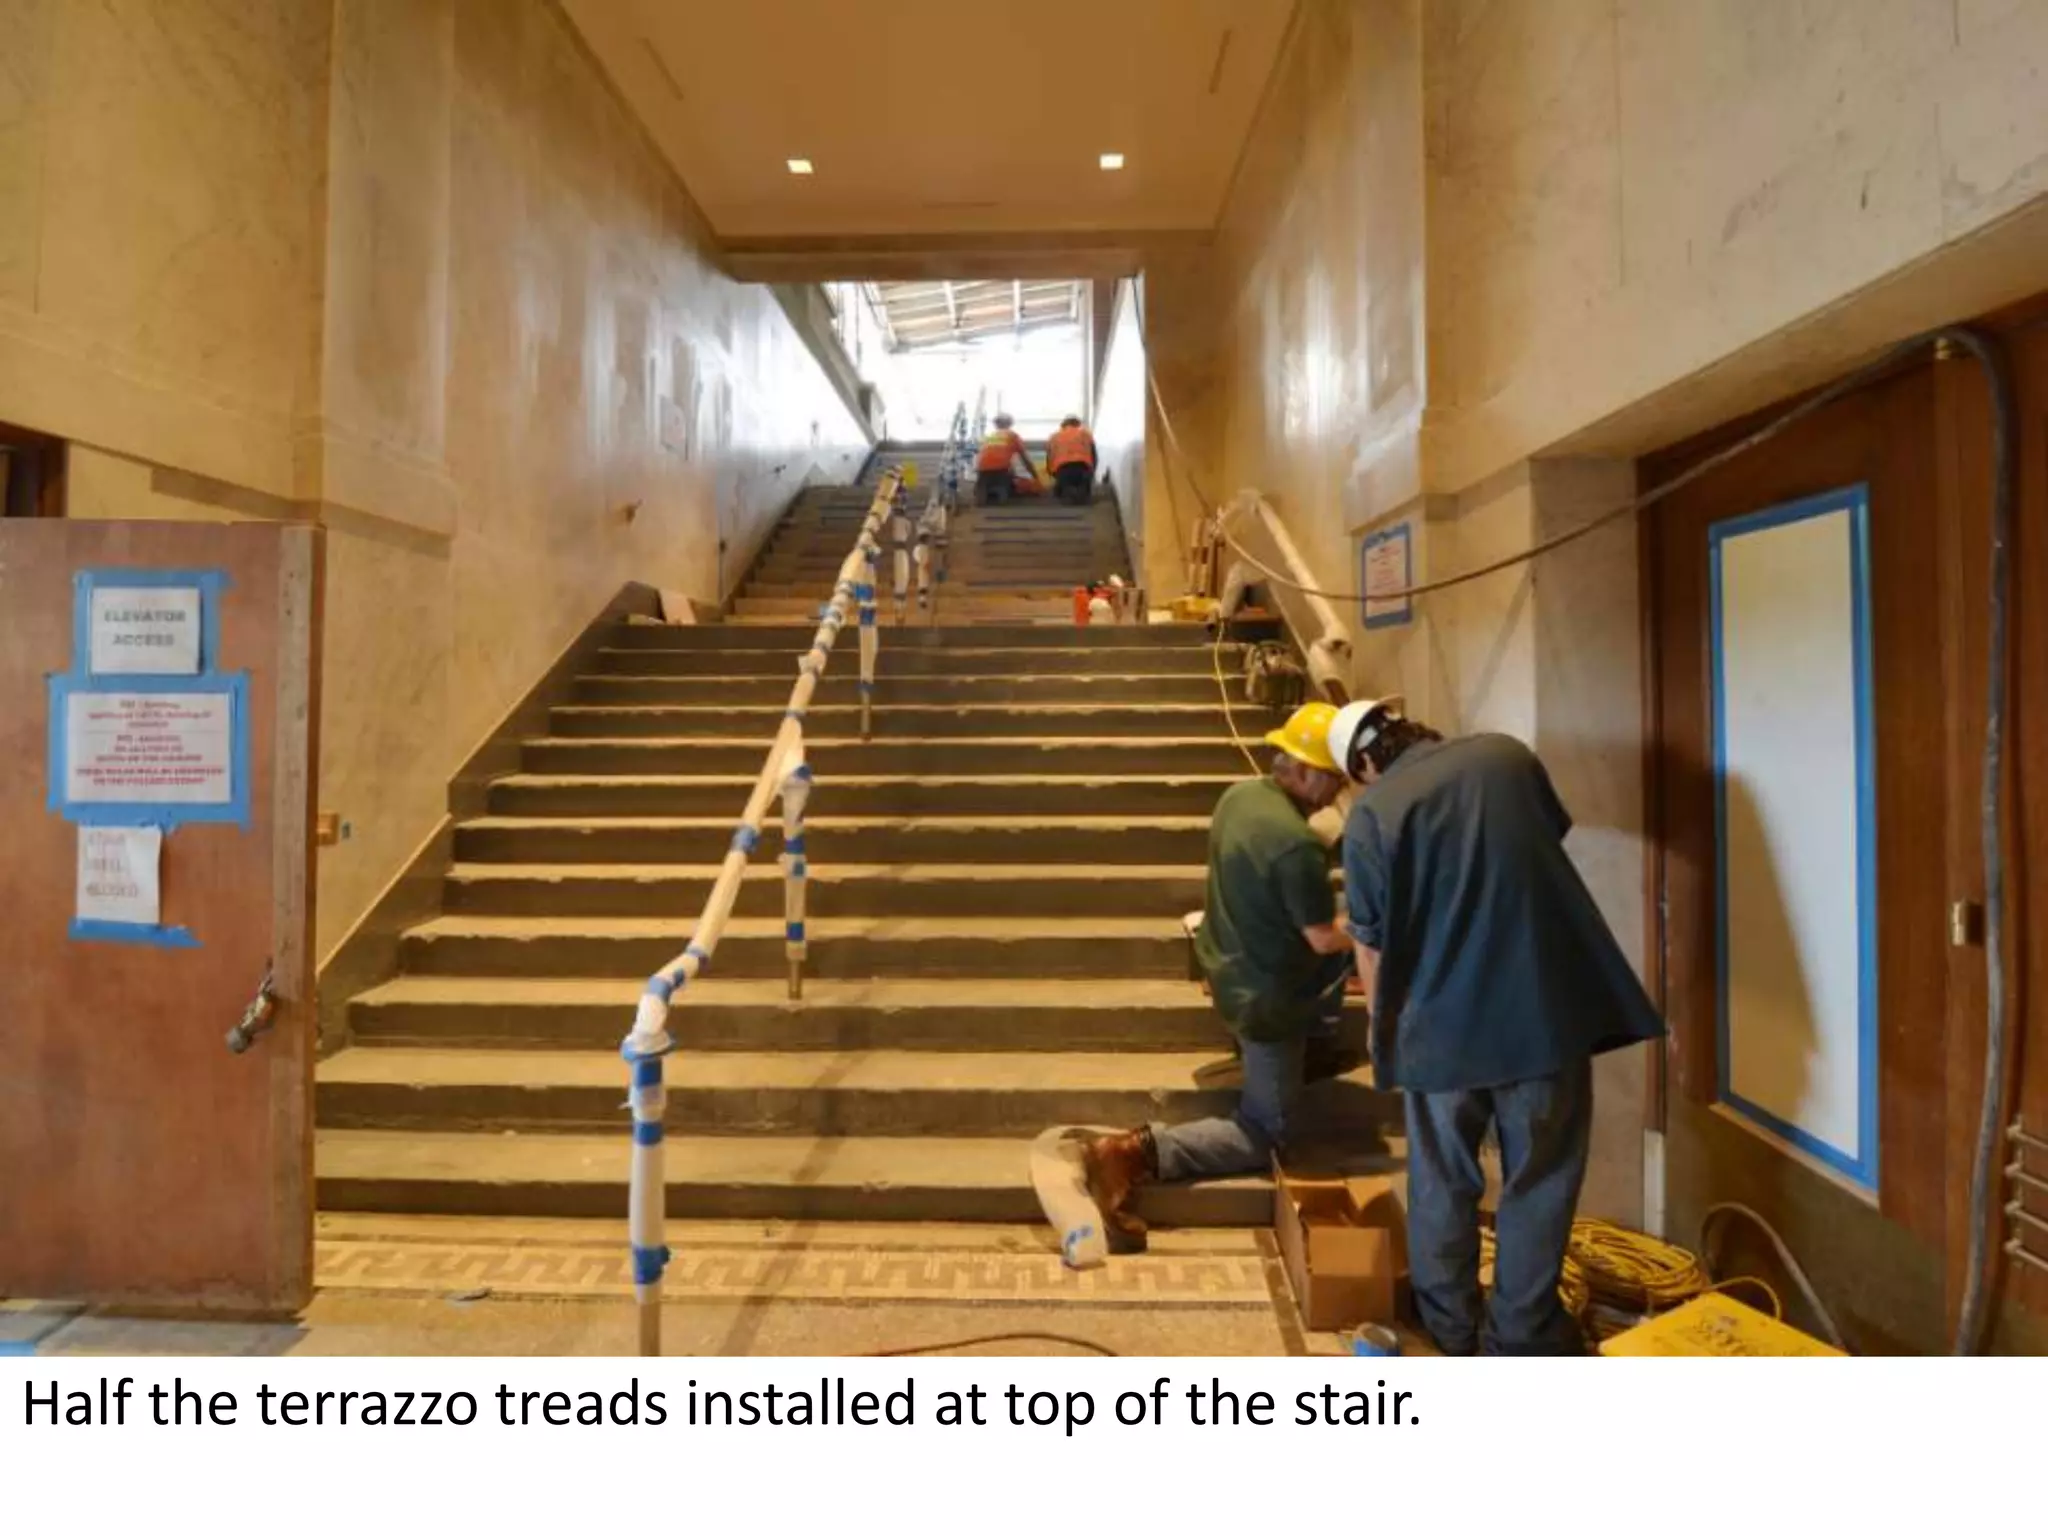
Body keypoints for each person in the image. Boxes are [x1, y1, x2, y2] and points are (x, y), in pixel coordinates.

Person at [1326, 696, 1665, 1356]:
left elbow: (1372, 945)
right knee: (1540, 1183)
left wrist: (1379, 1028)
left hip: (1441, 1036)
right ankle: (1518, 1338)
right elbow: (1533, 847)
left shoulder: (1372, 813)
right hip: (1543, 1018)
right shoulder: (1506, 757)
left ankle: (1451, 1327)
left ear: (1365, 761)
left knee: (1442, 1182)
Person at [1078, 701, 1356, 1253]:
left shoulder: (1241, 796)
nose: (1338, 792)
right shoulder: (1298, 847)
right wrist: (1374, 924)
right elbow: (1324, 938)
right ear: (1301, 772)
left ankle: (1313, 1046)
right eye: (1332, 779)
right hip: (1266, 1000)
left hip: (1225, 965)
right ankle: (1138, 1152)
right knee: (1268, 1131)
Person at [974, 413, 1041, 504]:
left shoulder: (989, 437)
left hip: (982, 470)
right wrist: (1036, 477)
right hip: (1001, 470)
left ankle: (983, 494)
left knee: (984, 486)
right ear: (1009, 424)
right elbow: (1025, 459)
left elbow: (981, 456)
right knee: (1012, 487)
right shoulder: (1012, 436)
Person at [1045, 415, 1098, 505]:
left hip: (1062, 469)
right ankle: (1082, 491)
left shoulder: (1054, 436)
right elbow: (1094, 455)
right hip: (1083, 468)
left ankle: (1066, 490)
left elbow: (1049, 457)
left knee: (1060, 491)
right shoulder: (1086, 434)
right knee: (1084, 488)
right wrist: (1092, 472)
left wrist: (1052, 473)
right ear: (1078, 425)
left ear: (1063, 425)